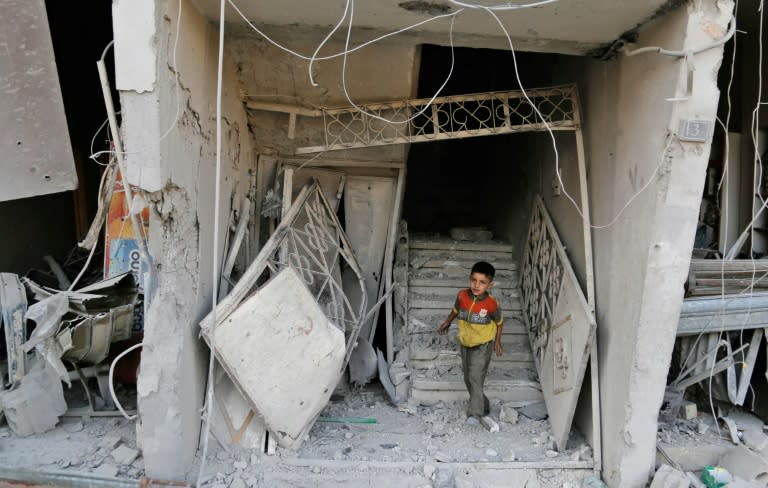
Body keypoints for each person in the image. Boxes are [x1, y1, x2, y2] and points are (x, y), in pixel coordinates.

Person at [437, 261, 504, 426]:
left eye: (482, 282)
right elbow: (455, 310)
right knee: (468, 378)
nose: (476, 285)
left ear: (490, 285)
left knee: (475, 377)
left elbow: (500, 322)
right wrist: (447, 322)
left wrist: (498, 342)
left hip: (483, 345)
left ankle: (474, 414)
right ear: (469, 279)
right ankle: (484, 405)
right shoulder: (462, 296)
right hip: (465, 342)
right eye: (474, 280)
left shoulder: (491, 303)